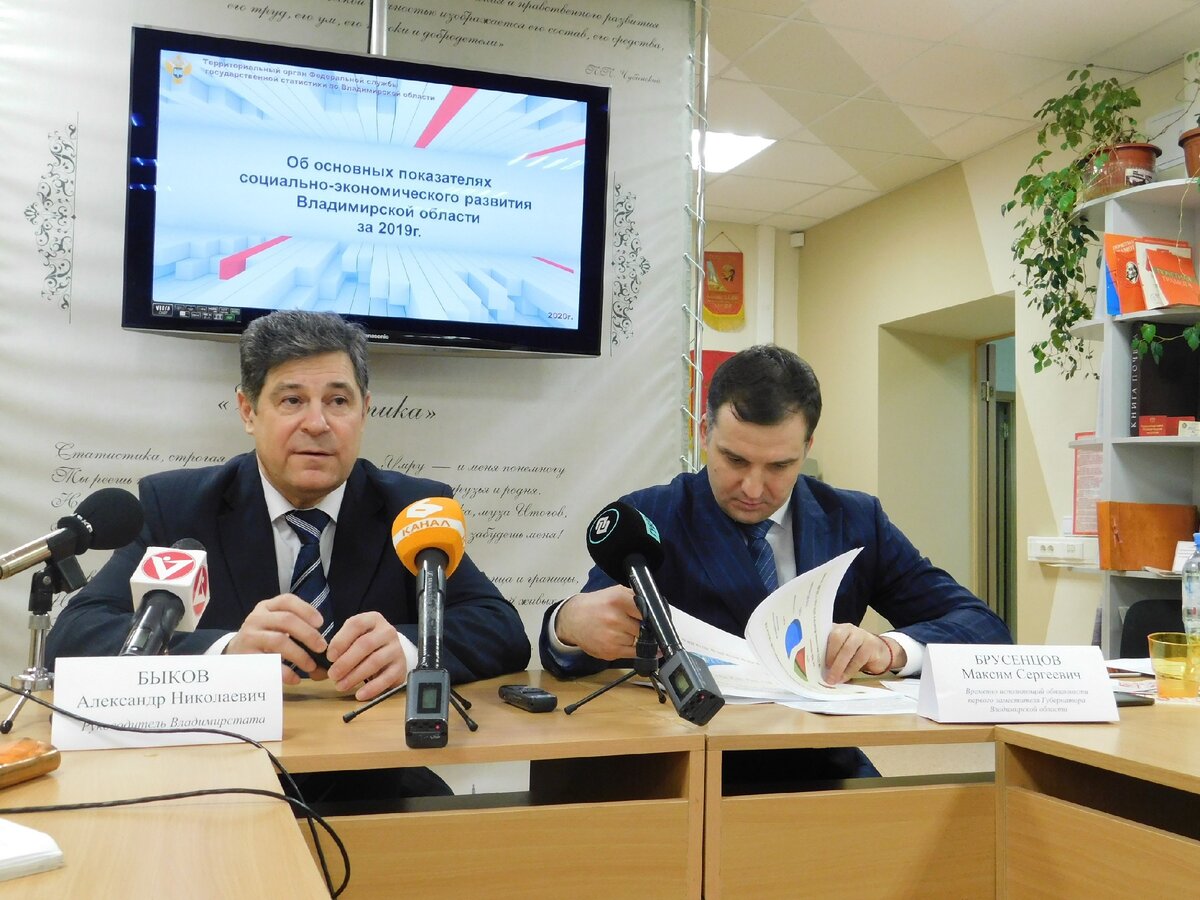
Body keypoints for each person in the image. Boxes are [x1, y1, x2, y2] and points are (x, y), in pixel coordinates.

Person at [47, 310, 531, 802]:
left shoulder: (411, 509)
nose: (317, 424)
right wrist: (224, 654)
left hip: (373, 779)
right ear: (248, 410)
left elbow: (500, 628)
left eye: (338, 401)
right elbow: (75, 636)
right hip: (208, 779)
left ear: (364, 411)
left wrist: (409, 650)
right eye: (292, 400)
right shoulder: (178, 508)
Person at [540, 345, 1011, 782]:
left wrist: (890, 649)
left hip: (818, 762)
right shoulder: (651, 515)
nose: (752, 488)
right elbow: (577, 652)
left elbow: (984, 628)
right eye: (734, 460)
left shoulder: (855, 519)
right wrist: (568, 623)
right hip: (680, 764)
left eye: (779, 466)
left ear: (808, 447)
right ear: (704, 433)